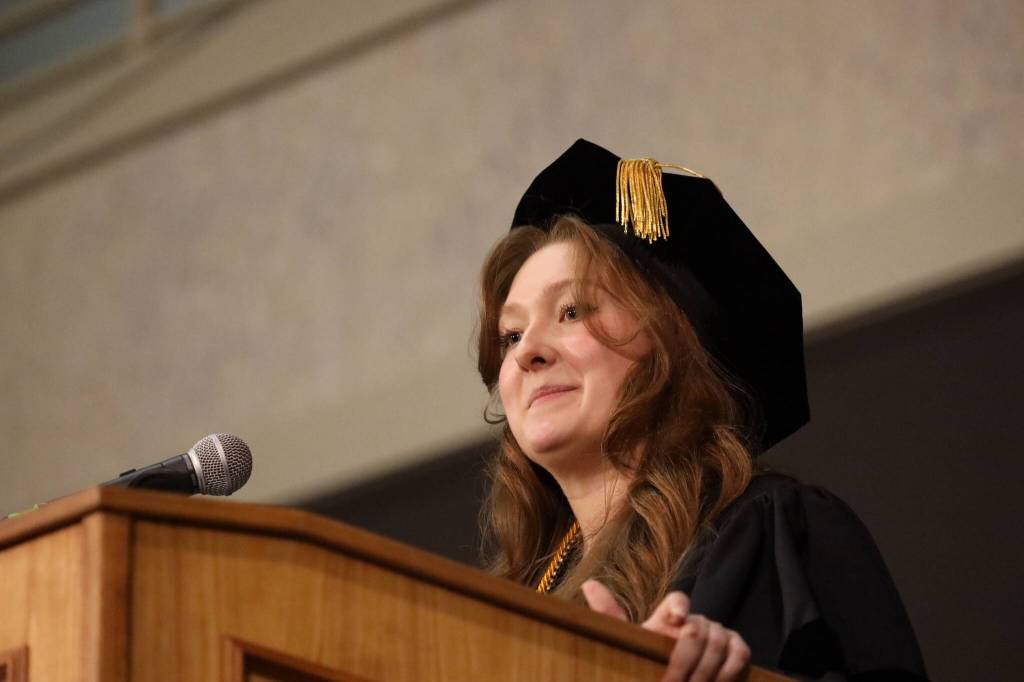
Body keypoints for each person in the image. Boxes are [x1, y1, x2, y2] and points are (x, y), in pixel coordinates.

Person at [474, 139, 927, 681]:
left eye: (571, 311)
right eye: (511, 334)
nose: (527, 351)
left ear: (671, 343)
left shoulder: (772, 534)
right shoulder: (507, 607)